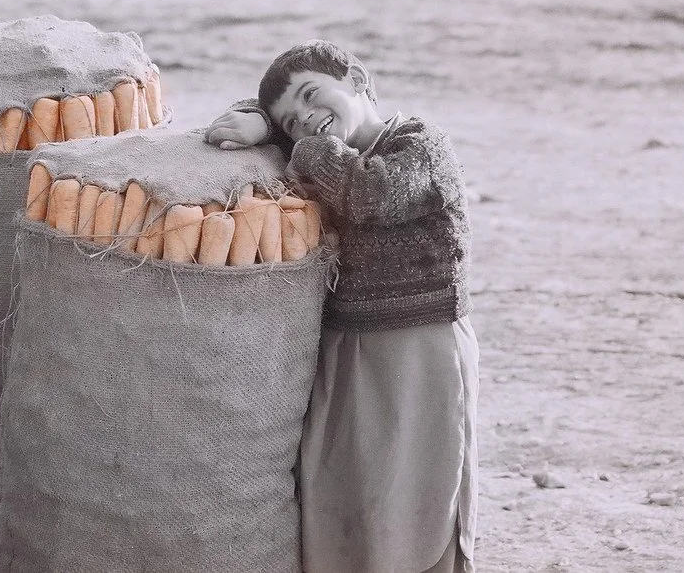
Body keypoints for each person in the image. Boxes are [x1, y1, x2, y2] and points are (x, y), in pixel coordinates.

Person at [205, 40, 479, 573]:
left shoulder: (422, 146)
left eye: (313, 96)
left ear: (357, 79)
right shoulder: (321, 151)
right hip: (344, 345)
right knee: (342, 483)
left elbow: (372, 194)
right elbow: (291, 135)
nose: (306, 118)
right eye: (291, 120)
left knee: (412, 489)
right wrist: (265, 123)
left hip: (419, 348)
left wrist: (296, 142)